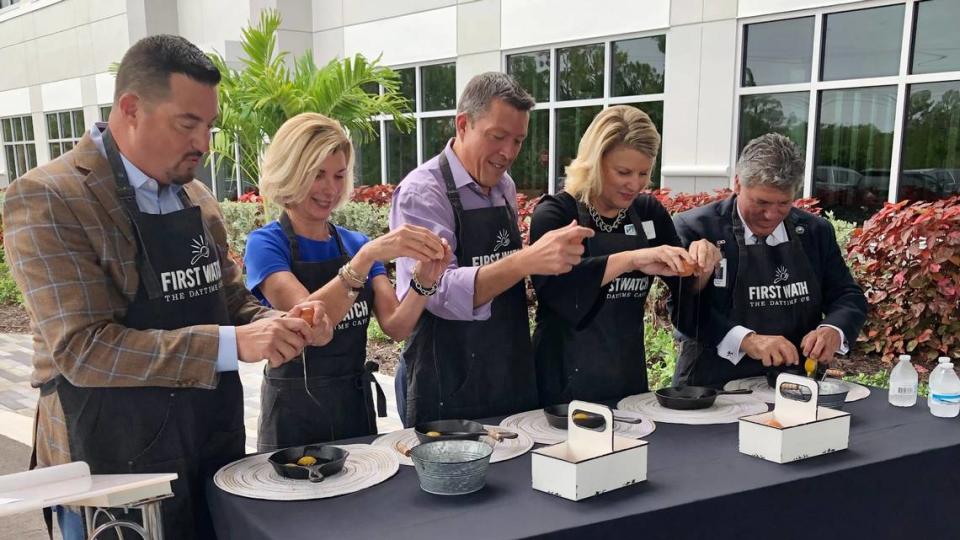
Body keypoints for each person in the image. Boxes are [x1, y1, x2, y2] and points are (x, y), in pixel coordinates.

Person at [2, 35, 331, 539]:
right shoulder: (49, 198)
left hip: (208, 443)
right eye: (188, 124)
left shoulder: (196, 195)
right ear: (131, 108)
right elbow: (83, 350)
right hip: (110, 466)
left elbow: (231, 301)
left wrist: (277, 323)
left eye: (209, 125)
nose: (203, 142)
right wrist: (232, 343)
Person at [389, 72, 595, 426]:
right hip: (446, 377)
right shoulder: (422, 194)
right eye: (497, 137)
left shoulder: (503, 186)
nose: (508, 153)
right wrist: (525, 261)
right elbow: (437, 290)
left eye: (518, 140)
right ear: (463, 124)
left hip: (507, 368)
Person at [245, 113, 451, 450]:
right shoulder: (266, 244)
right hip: (293, 413)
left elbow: (396, 326)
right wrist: (365, 260)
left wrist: (425, 280)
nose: (331, 189)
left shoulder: (355, 243)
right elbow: (308, 322)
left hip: (353, 406)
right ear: (291, 172)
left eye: (339, 176)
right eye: (318, 175)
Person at [530, 105, 720, 406]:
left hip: (626, 378)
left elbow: (687, 303)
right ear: (594, 163)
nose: (635, 183)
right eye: (623, 172)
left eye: (643, 173)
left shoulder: (648, 213)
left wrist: (701, 268)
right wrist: (631, 259)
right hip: (561, 382)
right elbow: (557, 292)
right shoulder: (556, 213)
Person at [671, 133, 867, 388]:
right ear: (738, 184)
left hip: (794, 384)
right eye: (761, 202)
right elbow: (684, 311)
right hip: (710, 386)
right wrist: (748, 340)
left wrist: (833, 329)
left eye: (784, 203)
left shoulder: (815, 231)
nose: (770, 215)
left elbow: (847, 295)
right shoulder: (695, 228)